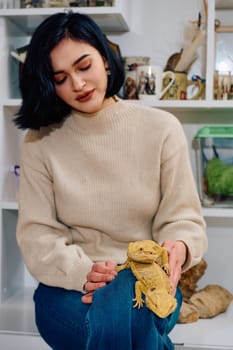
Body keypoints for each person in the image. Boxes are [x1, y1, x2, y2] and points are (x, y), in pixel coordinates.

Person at [14, 11, 208, 350]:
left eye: (83, 66)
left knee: (124, 294)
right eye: (59, 77)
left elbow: (184, 218)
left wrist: (179, 246)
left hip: (147, 282)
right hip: (68, 290)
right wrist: (84, 274)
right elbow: (37, 236)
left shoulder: (162, 129)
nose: (77, 84)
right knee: (126, 314)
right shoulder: (39, 142)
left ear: (105, 58)